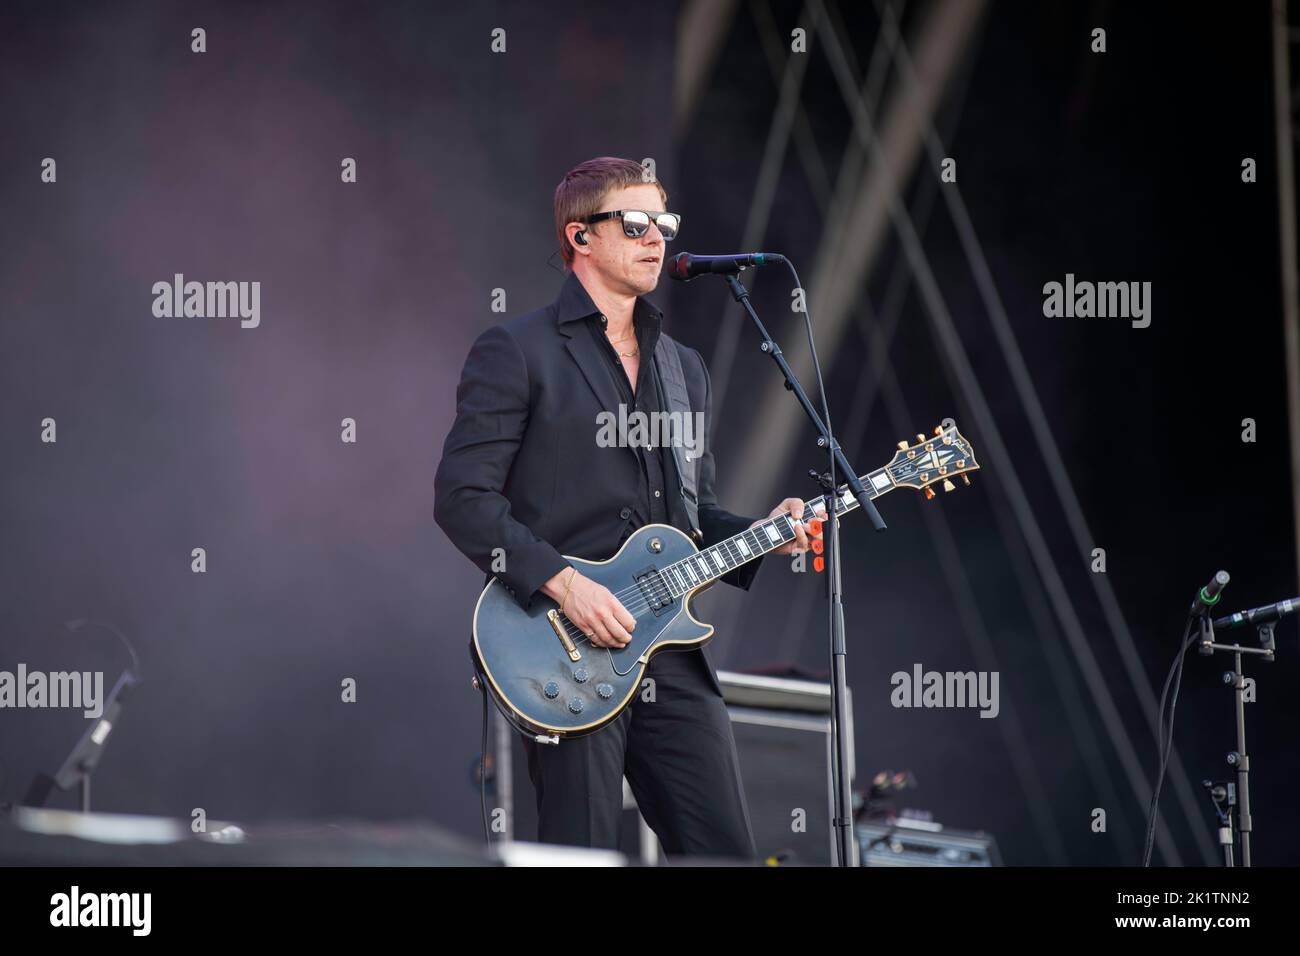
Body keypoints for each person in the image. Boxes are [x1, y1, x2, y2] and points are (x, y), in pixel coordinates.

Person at [434, 156, 810, 859]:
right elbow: (461, 499)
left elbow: (692, 517)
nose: (656, 238)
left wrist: (765, 534)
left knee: (723, 849)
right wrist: (566, 585)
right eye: (634, 223)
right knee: (582, 852)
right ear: (580, 238)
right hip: (562, 642)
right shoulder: (517, 351)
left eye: (663, 222)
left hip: (667, 651)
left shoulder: (683, 367)